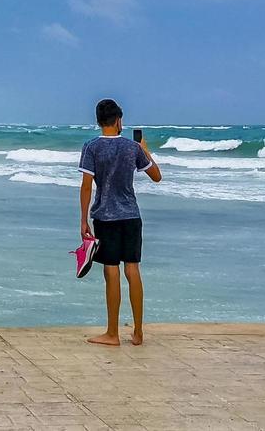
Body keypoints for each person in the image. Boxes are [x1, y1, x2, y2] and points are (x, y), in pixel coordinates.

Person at [79, 98, 162, 347]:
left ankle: (113, 334)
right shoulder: (131, 148)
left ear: (98, 121)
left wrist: (83, 220)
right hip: (131, 216)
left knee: (111, 270)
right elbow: (156, 177)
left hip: (105, 216)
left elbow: (86, 186)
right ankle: (137, 332)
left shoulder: (91, 147)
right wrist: (144, 150)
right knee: (133, 269)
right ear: (119, 120)